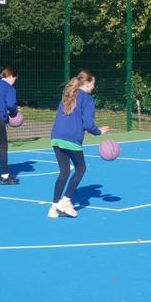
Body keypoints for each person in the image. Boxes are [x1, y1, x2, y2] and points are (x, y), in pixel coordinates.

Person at [47, 70, 110, 218]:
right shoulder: (87, 99)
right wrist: (98, 132)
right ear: (87, 83)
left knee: (64, 172)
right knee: (81, 168)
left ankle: (54, 207)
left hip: (56, 137)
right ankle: (66, 200)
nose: (94, 86)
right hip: (71, 139)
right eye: (93, 83)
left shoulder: (68, 95)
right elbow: (88, 123)